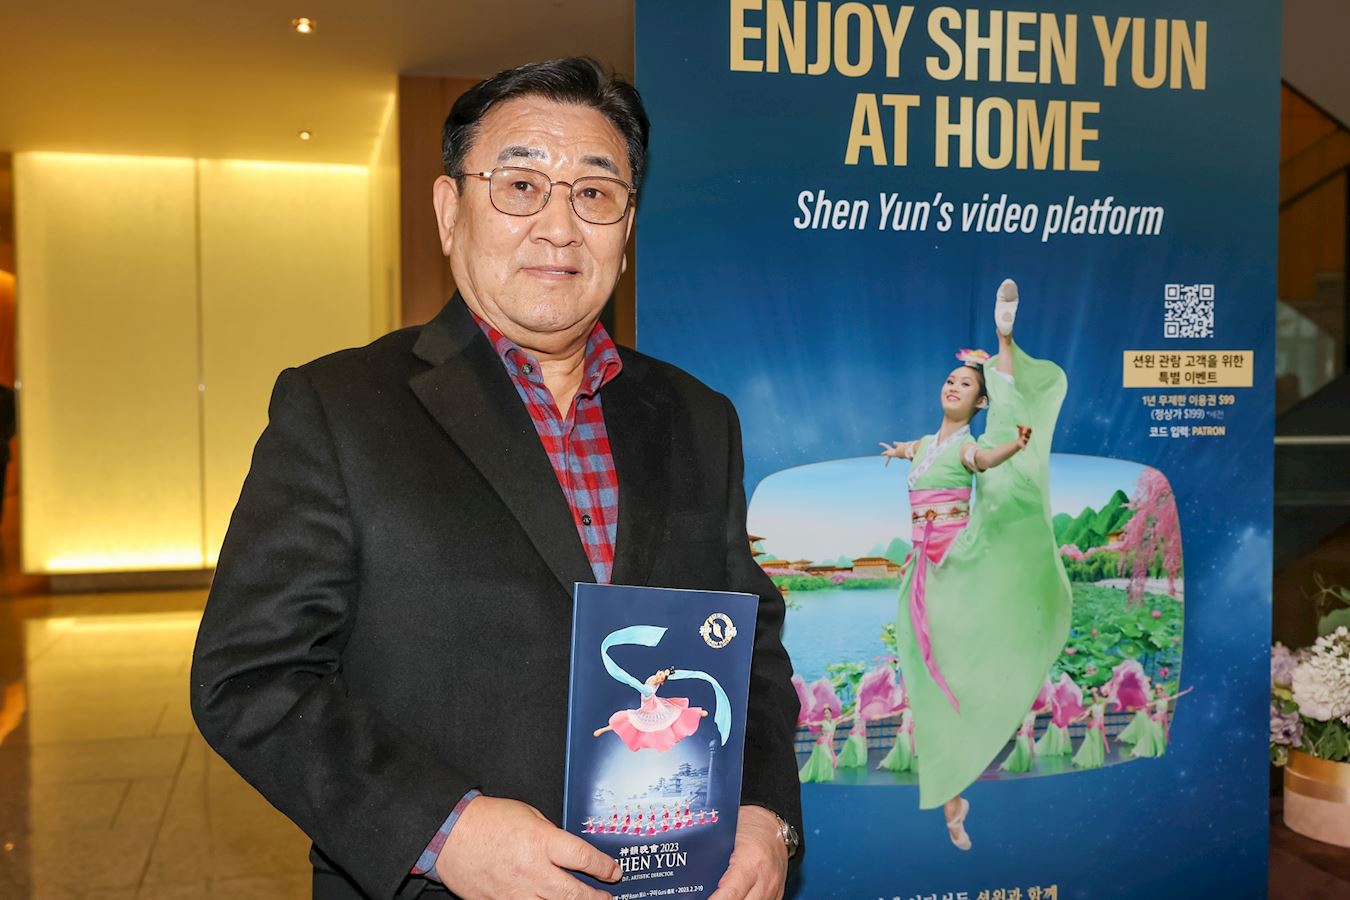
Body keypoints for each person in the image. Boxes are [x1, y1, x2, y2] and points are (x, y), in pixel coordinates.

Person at [191, 57, 801, 900]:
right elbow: (250, 678)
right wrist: (443, 832)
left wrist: (766, 814)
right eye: (520, 186)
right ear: (451, 211)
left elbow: (750, 645)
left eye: (595, 194)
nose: (559, 227)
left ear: (626, 229)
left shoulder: (698, 417)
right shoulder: (340, 408)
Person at [879, 279, 1072, 851]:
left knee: (961, 672)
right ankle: (952, 798)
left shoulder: (966, 446)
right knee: (928, 681)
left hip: (958, 562)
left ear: (979, 403)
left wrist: (1013, 447)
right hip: (923, 572)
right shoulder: (925, 444)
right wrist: (897, 451)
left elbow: (985, 458)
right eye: (950, 379)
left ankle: (1005, 335)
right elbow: (912, 452)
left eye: (965, 383)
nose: (953, 385)